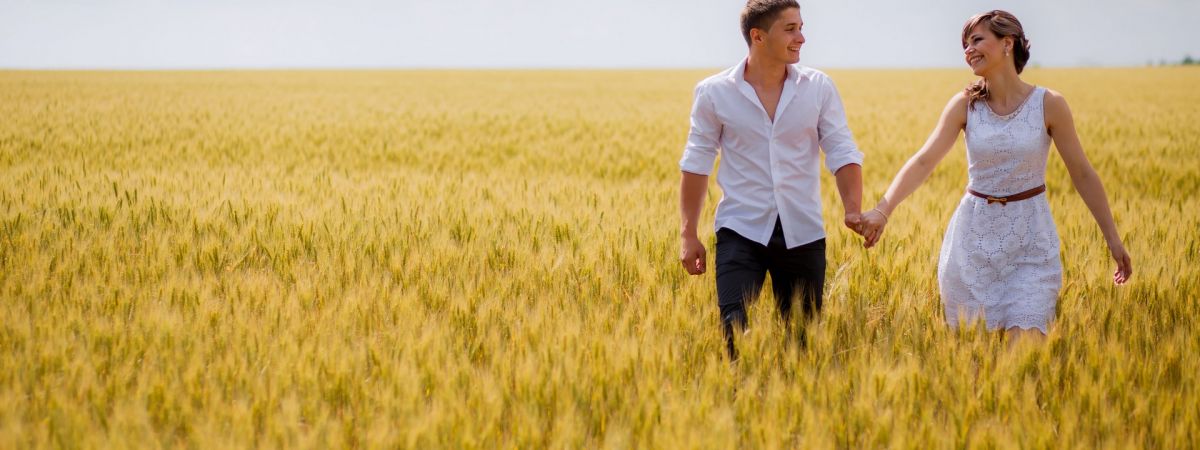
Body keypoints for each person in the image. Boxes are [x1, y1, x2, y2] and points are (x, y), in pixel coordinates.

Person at [857, 10, 1133, 343]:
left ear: (1007, 43)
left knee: (1025, 353)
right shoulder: (965, 105)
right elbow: (923, 161)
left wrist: (1113, 240)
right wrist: (882, 211)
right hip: (971, 245)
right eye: (965, 44)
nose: (968, 50)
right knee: (976, 367)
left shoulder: (1050, 104)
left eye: (976, 40)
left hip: (1030, 243)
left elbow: (1083, 174)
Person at [679, 0, 865, 360]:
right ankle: (741, 404)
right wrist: (688, 234)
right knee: (734, 331)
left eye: (801, 27)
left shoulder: (819, 88)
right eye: (791, 29)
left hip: (803, 231)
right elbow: (696, 163)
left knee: (803, 341)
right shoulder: (714, 92)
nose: (802, 37)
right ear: (758, 36)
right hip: (740, 229)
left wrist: (853, 209)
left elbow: (842, 151)